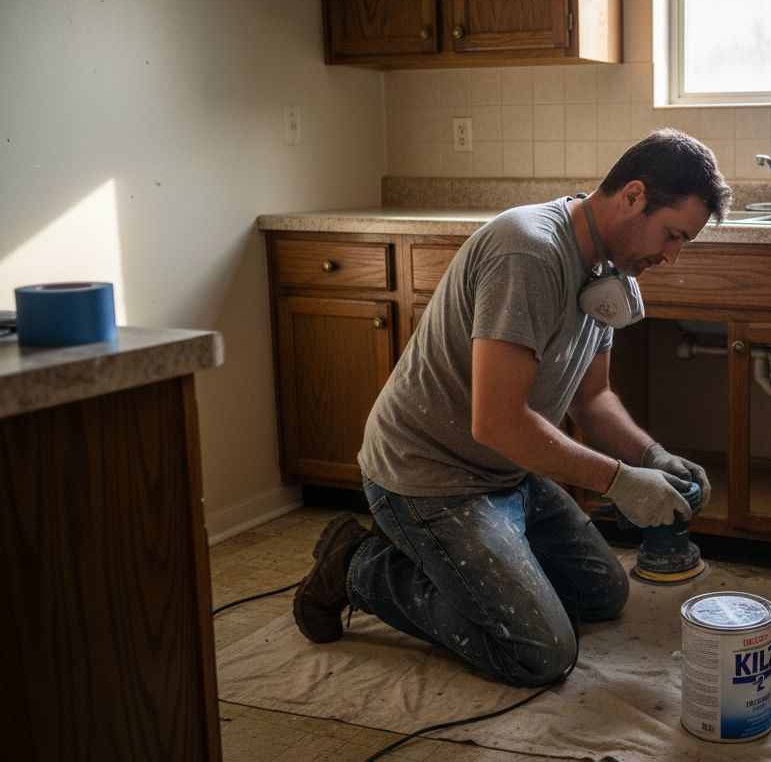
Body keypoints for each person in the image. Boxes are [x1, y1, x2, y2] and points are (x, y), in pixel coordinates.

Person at [292, 128, 732, 687]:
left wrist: (653, 456)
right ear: (633, 196)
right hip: (429, 477)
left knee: (602, 594)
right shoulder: (528, 251)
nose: (672, 256)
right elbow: (495, 420)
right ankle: (360, 566)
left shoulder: (612, 268)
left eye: (683, 243)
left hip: (507, 469)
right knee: (540, 653)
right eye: (673, 235)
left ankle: (469, 559)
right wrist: (621, 482)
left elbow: (592, 397)